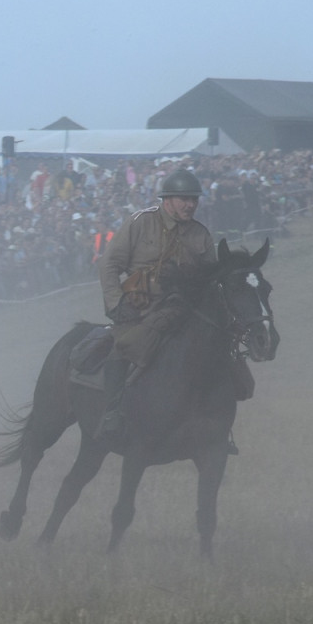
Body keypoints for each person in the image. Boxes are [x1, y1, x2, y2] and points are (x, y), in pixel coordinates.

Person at [94, 168, 216, 441]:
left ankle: (219, 423)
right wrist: (116, 304)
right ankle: (112, 413)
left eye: (194, 199)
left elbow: (210, 280)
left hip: (183, 309)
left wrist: (186, 280)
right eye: (184, 199)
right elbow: (109, 264)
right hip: (138, 306)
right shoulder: (140, 222)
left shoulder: (201, 235)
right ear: (167, 200)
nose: (190, 204)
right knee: (125, 347)